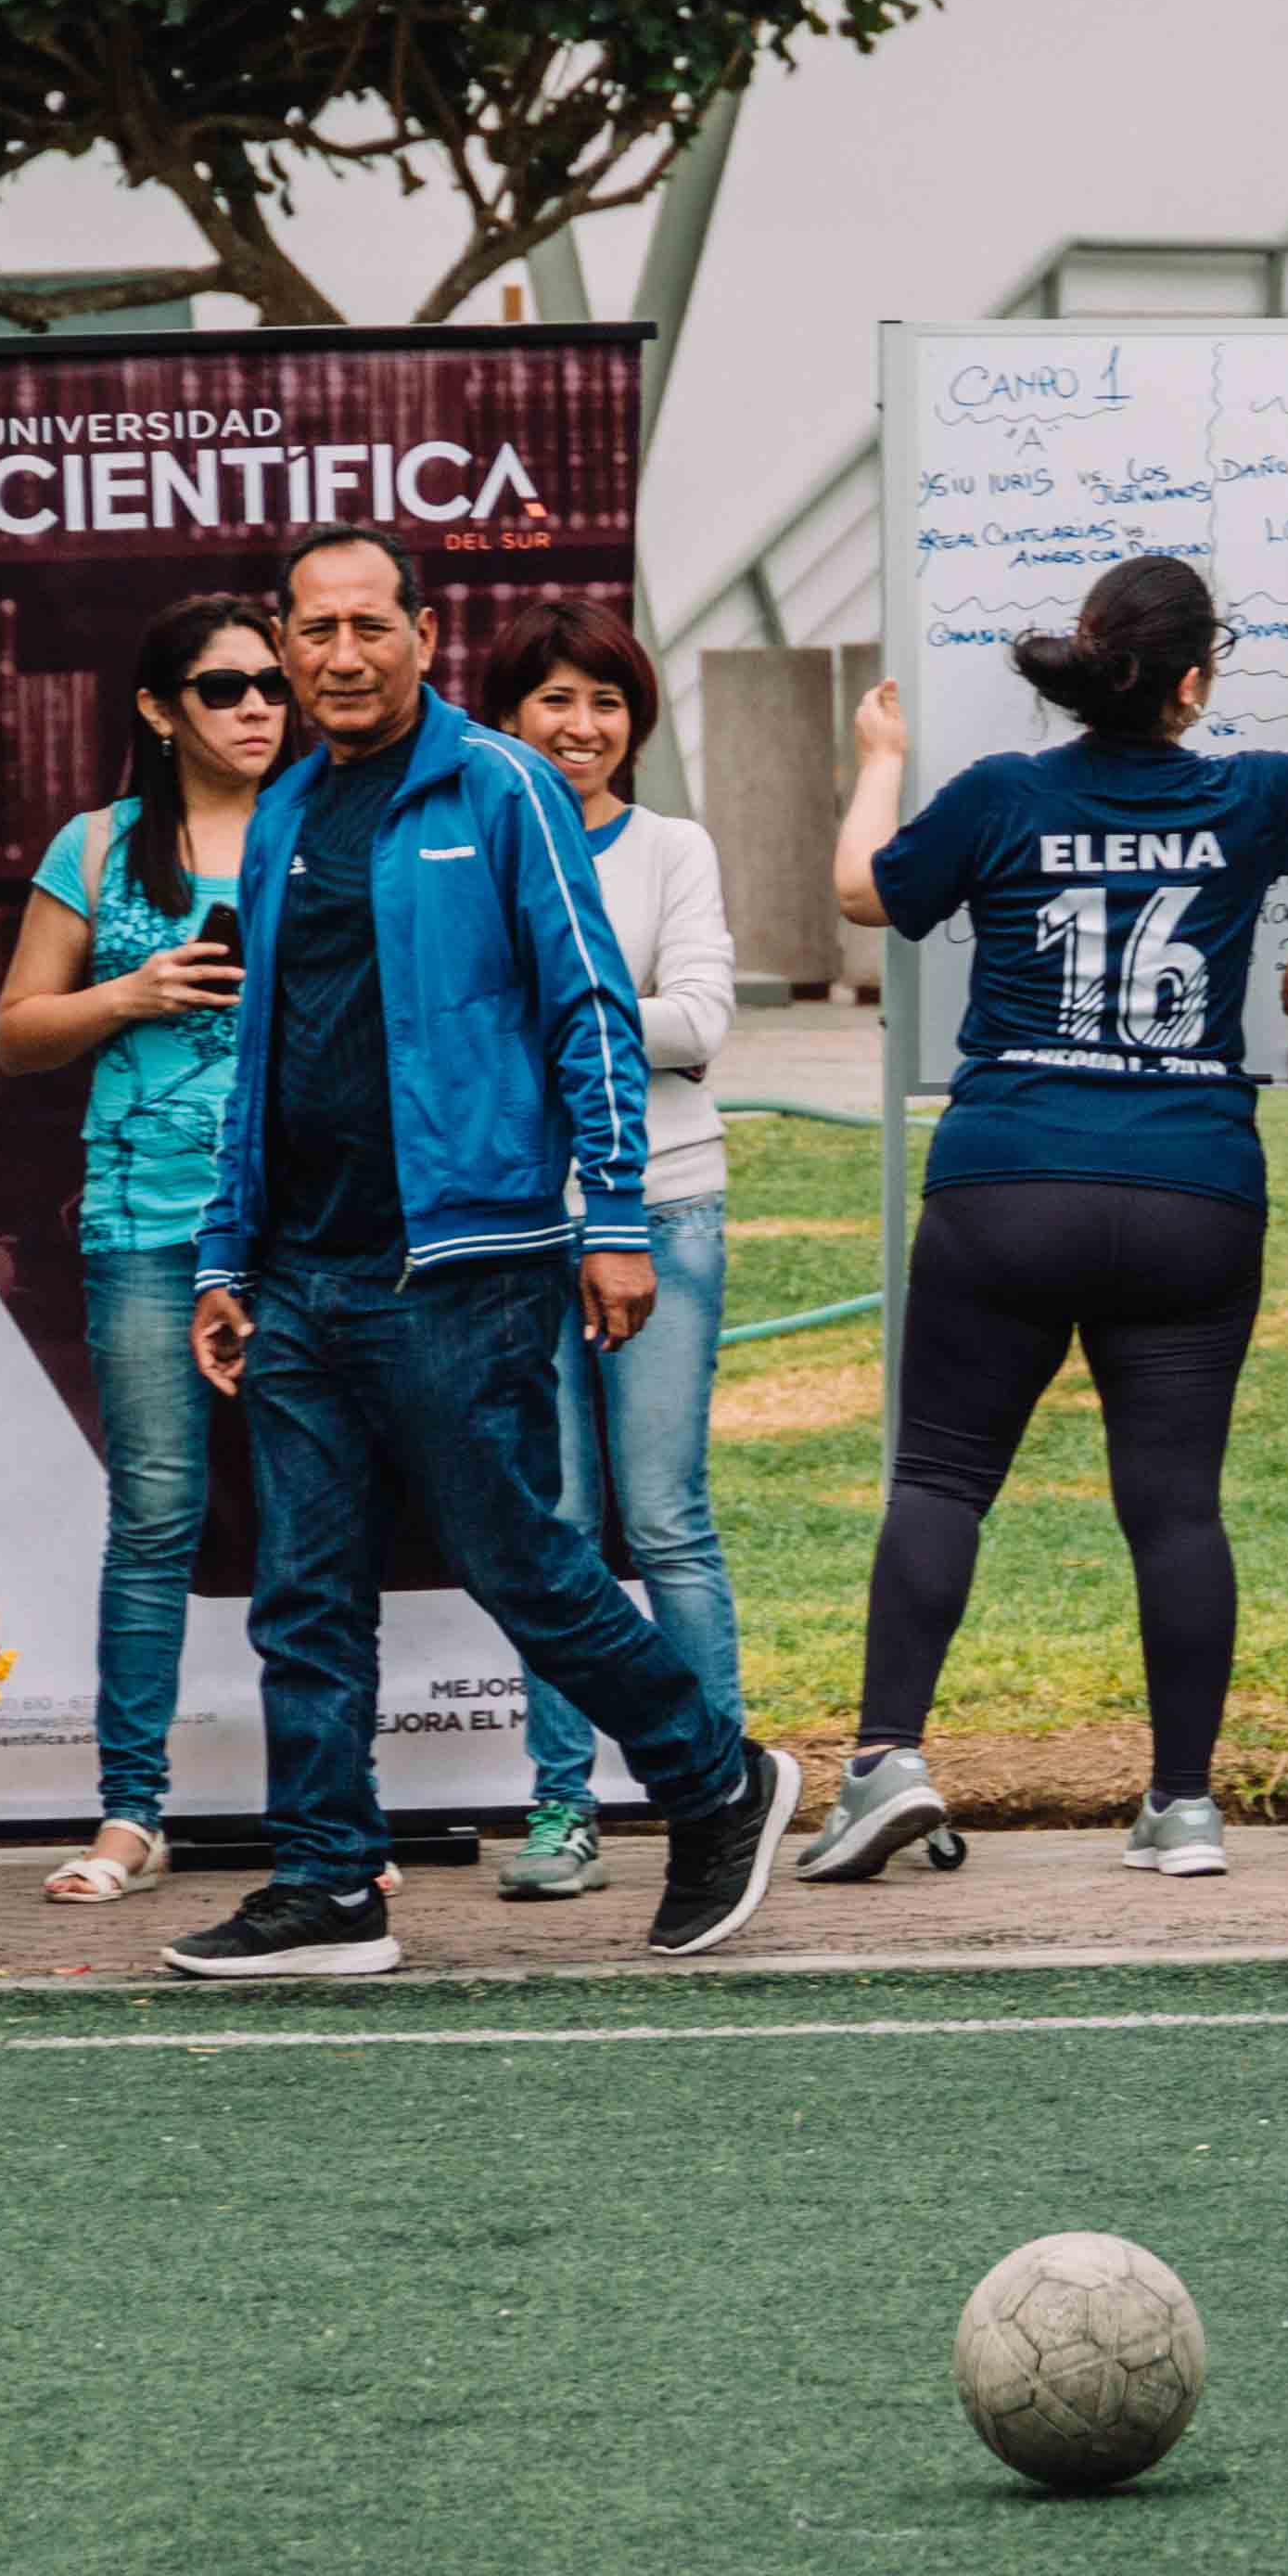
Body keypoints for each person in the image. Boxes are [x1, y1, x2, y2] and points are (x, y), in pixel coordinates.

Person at [164, 525, 797, 1978]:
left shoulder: (502, 786)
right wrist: (222, 1253)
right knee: (302, 1593)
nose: (337, 654)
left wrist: (618, 1219)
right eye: (311, 630)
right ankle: (329, 1882)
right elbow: (259, 1053)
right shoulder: (282, 811)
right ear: (286, 641)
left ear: (424, 635)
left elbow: (589, 1008)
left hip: (466, 1263)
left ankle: (716, 1780)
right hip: (298, 1277)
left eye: (366, 625)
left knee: (521, 1564)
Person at [799, 508, 1288, 1883]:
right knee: (1176, 1504)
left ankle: (886, 1756)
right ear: (1197, 679)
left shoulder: (998, 793)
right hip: (1190, 1183)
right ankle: (1184, 1805)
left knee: (942, 1476)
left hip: (1011, 1168)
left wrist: (880, 764)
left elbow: (860, 893)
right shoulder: (1247, 795)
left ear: (1089, 661)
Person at [0, 594, 288, 1907]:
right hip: (143, 1226)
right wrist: (133, 993)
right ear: (160, 709)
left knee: (311, 1525)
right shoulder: (102, 845)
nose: (259, 708)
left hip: (303, 1231)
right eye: (225, 688)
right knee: (158, 1518)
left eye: (271, 685)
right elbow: (14, 1035)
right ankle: (131, 1816)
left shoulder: (327, 822)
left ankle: (331, 1816)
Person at [479, 596, 739, 1905]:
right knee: (555, 1529)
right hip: (517, 1222)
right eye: (553, 702)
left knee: (668, 1518)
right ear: (503, 717)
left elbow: (698, 1019)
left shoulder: (671, 847)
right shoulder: (468, 842)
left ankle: (722, 1786)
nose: (580, 728)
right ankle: (560, 1803)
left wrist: (556, 1007)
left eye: (605, 703)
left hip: (667, 1204)